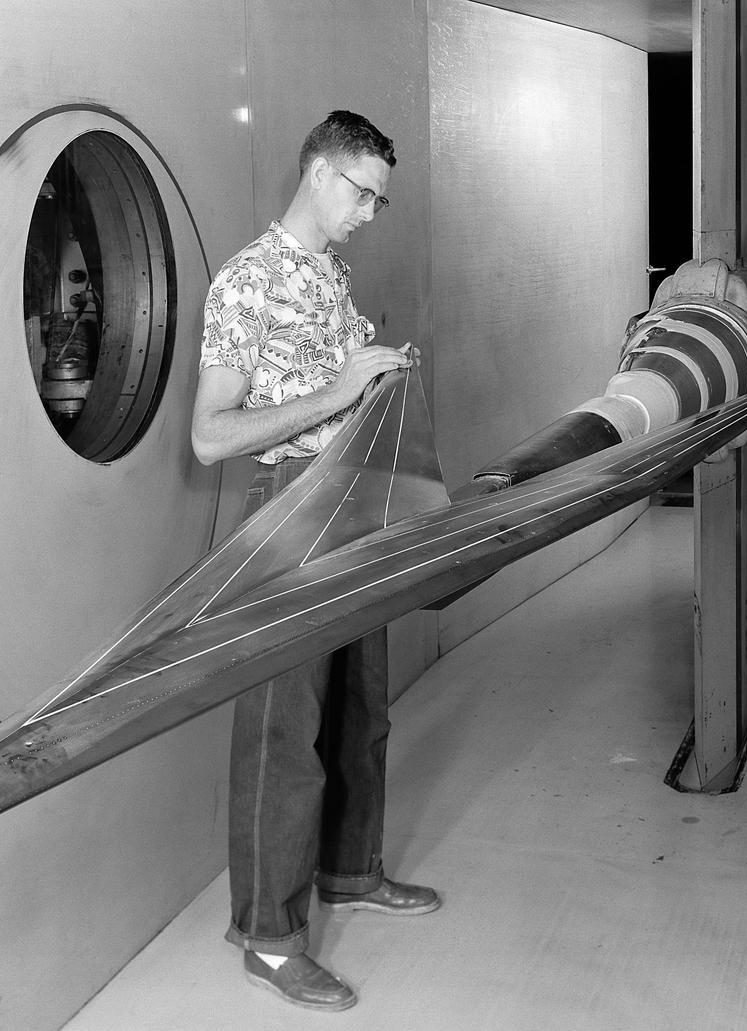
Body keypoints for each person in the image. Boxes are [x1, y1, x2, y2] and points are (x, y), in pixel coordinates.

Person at [191, 110, 439, 1013]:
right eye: (367, 194)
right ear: (323, 176)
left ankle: (349, 868)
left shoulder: (331, 276)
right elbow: (210, 436)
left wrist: (373, 381)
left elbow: (331, 401)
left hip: (352, 506)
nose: (372, 213)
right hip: (290, 513)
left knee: (361, 710)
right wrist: (337, 391)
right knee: (281, 732)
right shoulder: (247, 282)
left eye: (380, 198)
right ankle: (267, 935)